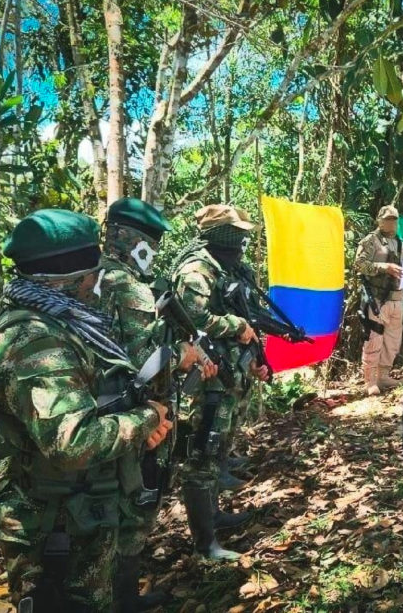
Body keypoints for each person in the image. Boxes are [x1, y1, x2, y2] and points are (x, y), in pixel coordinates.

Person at [0, 209, 172, 611]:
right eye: (92, 274)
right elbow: (74, 442)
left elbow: (99, 401)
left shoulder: (67, 325)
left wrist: (137, 429)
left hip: (83, 513)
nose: (96, 283)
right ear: (69, 280)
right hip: (52, 531)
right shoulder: (36, 344)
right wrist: (148, 418)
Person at [99, 198, 216, 610]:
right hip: (135, 415)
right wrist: (180, 353)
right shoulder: (127, 285)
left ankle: (120, 594)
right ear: (139, 244)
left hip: (104, 416)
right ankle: (124, 599)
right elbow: (143, 358)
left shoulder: (89, 278)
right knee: (135, 508)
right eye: (154, 242)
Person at [172, 204, 269, 561]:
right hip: (207, 380)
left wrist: (258, 355)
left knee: (216, 451)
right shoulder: (197, 271)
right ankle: (205, 544)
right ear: (217, 235)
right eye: (235, 232)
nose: (241, 239)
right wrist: (235, 327)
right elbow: (193, 318)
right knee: (201, 458)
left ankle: (213, 516)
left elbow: (250, 314)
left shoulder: (231, 267)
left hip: (231, 374)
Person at [354, 205, 403, 395]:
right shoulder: (370, 241)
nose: (391, 223)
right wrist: (384, 267)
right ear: (379, 220)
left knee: (392, 341)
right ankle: (370, 380)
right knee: (374, 339)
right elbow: (359, 265)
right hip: (377, 299)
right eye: (388, 219)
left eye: (394, 220)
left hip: (397, 299)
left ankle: (383, 375)